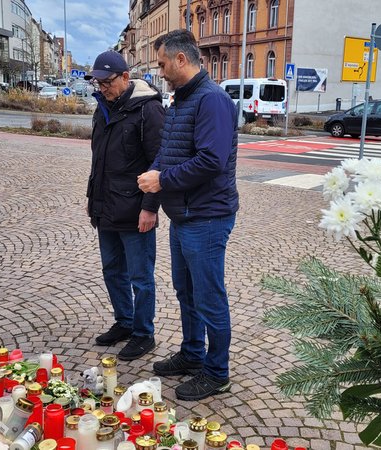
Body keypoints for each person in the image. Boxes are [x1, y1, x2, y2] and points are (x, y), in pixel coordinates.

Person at [137, 30, 239, 401]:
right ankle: (194, 354)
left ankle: (217, 373)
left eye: (163, 63)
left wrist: (162, 179)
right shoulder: (182, 100)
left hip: (207, 217)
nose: (160, 71)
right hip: (185, 215)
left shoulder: (212, 101)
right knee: (186, 292)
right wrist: (153, 189)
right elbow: (169, 152)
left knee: (209, 296)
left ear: (181, 60)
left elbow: (211, 161)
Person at [86, 51, 166, 361]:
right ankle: (125, 321)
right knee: (112, 271)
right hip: (106, 206)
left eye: (107, 82)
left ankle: (144, 334)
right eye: (98, 82)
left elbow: (159, 163)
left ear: (124, 77)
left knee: (140, 277)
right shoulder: (102, 108)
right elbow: (99, 160)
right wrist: (93, 198)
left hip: (135, 210)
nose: (102, 87)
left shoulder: (149, 110)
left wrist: (150, 207)